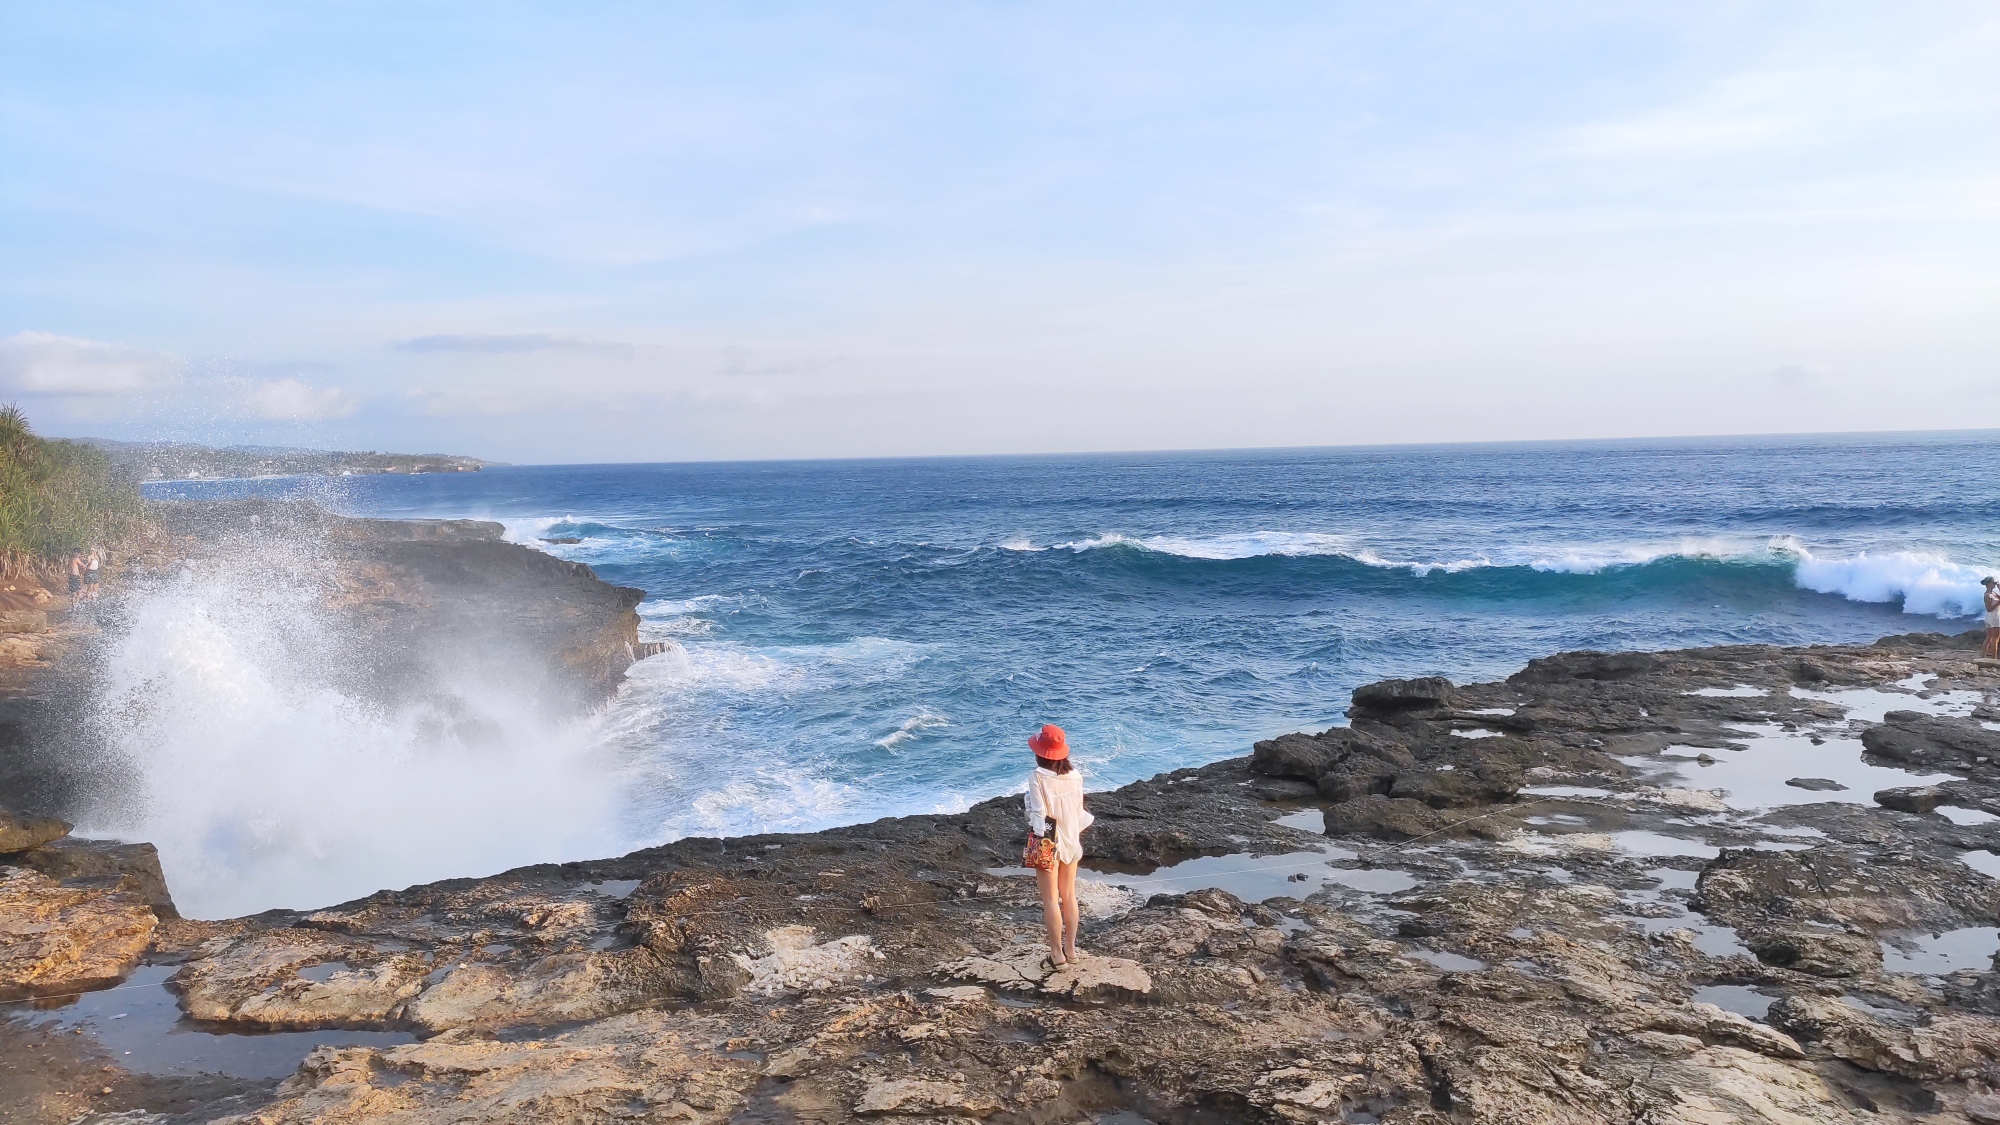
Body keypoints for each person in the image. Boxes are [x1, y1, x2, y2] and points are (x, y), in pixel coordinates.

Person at [1023, 723, 1093, 967]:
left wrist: (1029, 814)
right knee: (1069, 895)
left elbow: (1039, 817)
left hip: (1049, 842)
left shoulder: (1037, 777)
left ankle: (1056, 955)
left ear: (1040, 753)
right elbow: (1079, 813)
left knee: (1051, 899)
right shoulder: (1076, 776)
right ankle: (1071, 951)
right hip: (1072, 841)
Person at [1983, 577, 2000, 659]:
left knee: (1989, 638)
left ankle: (1983, 656)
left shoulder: (1993, 593)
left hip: (1990, 618)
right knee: (1995, 638)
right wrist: (1998, 603)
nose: (1995, 584)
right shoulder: (1987, 595)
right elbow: (1988, 608)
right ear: (1988, 583)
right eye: (1993, 583)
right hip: (1994, 617)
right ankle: (1994, 658)